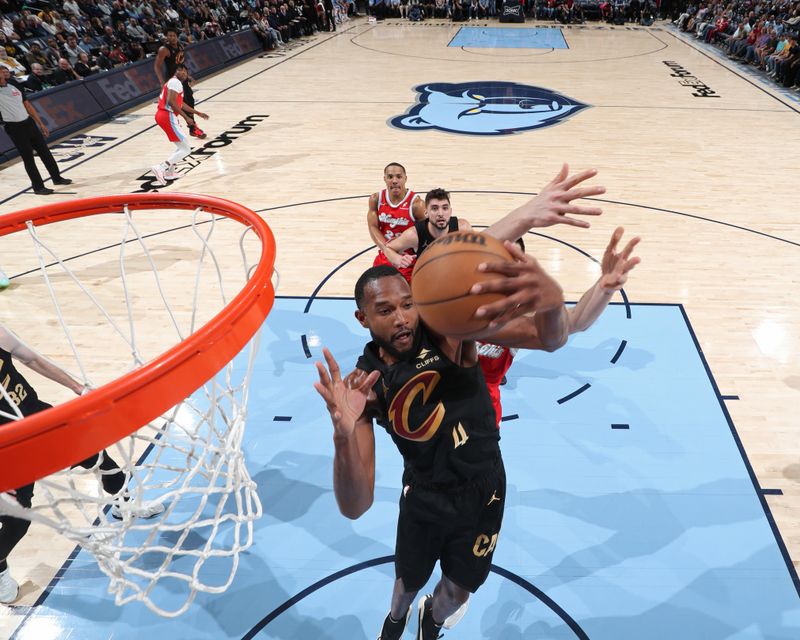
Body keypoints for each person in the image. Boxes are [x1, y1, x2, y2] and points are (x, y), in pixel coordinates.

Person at [314, 165, 605, 639]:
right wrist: (344, 438)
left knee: (457, 592)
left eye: (408, 304)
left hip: (484, 483)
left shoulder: (449, 326)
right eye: (386, 311)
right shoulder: (364, 387)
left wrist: (530, 215)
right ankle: (396, 619)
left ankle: (432, 620)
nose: (403, 318)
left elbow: (461, 265)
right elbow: (355, 506)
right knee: (405, 584)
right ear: (361, 317)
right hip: (424, 495)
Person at [0, 324, 164, 604]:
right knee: (18, 518)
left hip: (37, 417)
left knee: (97, 454)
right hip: (7, 446)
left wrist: (77, 387)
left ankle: (124, 503)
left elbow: (31, 358)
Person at [479, 227, 642, 427]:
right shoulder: (458, 297)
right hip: (437, 398)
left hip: (483, 411)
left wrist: (604, 287)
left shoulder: (523, 311)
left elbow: (576, 321)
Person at [0, 67, 72, 196]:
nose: (2, 75)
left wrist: (40, 123)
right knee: (28, 158)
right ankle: (38, 187)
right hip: (14, 127)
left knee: (45, 151)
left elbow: (27, 104)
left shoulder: (14, 84)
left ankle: (57, 178)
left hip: (28, 123)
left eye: (3, 73)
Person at [382, 187, 471, 278]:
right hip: (427, 280)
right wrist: (398, 259)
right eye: (434, 208)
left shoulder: (462, 228)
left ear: (450, 211)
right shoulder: (414, 235)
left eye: (445, 208)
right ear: (426, 213)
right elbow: (388, 248)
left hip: (454, 276)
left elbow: (477, 250)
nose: (440, 213)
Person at [150, 63, 209, 186]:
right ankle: (161, 168)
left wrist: (197, 113)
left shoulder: (175, 83)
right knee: (186, 149)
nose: (184, 73)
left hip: (164, 115)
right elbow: (171, 102)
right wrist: (186, 117)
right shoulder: (175, 82)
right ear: (177, 71)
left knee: (181, 146)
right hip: (167, 115)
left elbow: (180, 104)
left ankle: (170, 172)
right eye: (181, 71)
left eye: (185, 72)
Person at [367, 162, 426, 282]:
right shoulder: (376, 199)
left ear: (405, 179)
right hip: (385, 255)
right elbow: (373, 227)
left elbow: (426, 235)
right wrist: (388, 252)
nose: (394, 180)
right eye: (390, 177)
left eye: (399, 177)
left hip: (408, 259)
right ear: (384, 179)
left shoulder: (417, 205)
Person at [154, 27, 206, 139]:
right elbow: (157, 66)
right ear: (166, 36)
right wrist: (162, 82)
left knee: (190, 101)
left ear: (177, 36)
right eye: (169, 35)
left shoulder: (181, 46)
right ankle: (193, 128)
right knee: (180, 104)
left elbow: (180, 65)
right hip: (173, 81)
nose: (171, 38)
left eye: (173, 35)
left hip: (182, 79)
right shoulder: (164, 49)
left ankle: (192, 126)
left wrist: (188, 76)